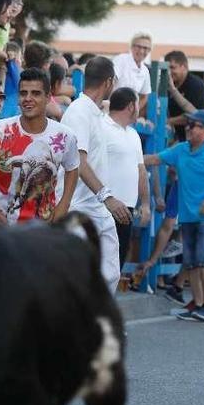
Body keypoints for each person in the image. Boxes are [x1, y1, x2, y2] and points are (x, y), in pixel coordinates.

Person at [144, 110, 204, 323]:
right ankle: (198, 304)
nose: (188, 128)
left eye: (194, 125)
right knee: (192, 262)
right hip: (188, 215)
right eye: (188, 124)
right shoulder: (181, 150)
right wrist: (127, 155)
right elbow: (155, 159)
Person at [0, 68, 79, 224]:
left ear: (48, 97)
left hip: (43, 227)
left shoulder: (64, 136)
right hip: (1, 227)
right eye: (23, 93)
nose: (28, 98)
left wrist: (63, 205)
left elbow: (72, 168)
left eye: (36, 93)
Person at [60, 56, 130, 293]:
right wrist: (107, 196)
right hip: (78, 206)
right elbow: (78, 162)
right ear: (108, 82)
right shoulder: (78, 111)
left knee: (110, 273)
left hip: (96, 207)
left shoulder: (95, 113)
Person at [164, 50, 204, 142]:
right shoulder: (169, 84)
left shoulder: (195, 85)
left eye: (173, 68)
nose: (169, 72)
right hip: (179, 136)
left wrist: (167, 121)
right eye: (167, 69)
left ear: (184, 67)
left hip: (201, 139)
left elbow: (195, 115)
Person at [112, 32, 152, 112]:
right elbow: (110, 82)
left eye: (145, 48)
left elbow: (145, 96)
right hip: (112, 109)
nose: (141, 51)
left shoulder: (145, 70)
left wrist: (133, 111)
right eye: (138, 47)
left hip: (127, 115)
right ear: (132, 47)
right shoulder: (121, 60)